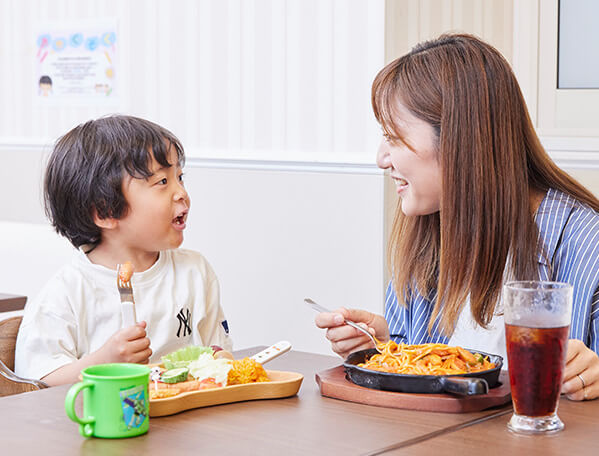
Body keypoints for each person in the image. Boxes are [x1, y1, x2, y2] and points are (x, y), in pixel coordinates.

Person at [315, 34, 599, 401]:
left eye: (394, 137)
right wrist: (388, 347)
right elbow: (441, 388)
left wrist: (594, 375)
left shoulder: (586, 244)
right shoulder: (427, 236)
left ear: (458, 141)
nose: (381, 159)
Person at [15, 115, 232, 385]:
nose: (181, 193)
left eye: (179, 177)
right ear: (106, 211)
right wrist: (105, 362)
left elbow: (215, 349)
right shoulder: (66, 293)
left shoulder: (195, 272)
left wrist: (222, 360)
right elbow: (36, 384)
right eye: (162, 182)